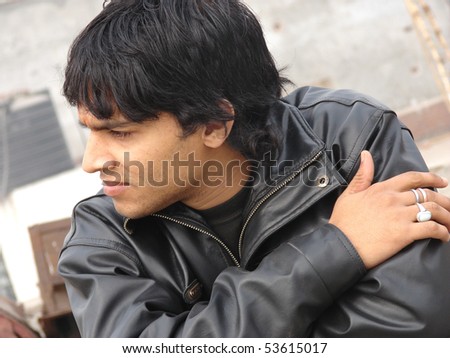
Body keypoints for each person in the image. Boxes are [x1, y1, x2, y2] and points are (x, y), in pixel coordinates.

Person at [58, 0, 450, 337]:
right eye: (89, 131)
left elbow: (413, 324)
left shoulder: (348, 139)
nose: (92, 162)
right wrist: (334, 249)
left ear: (214, 123)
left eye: (120, 133)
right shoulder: (102, 238)